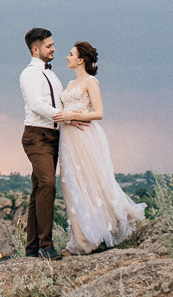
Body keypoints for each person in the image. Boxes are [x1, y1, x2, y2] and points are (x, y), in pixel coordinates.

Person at [54, 41, 147, 255]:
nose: (66, 57)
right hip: (68, 138)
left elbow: (99, 113)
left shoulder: (90, 82)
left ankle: (104, 230)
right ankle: (81, 239)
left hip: (85, 137)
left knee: (93, 182)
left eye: (70, 54)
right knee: (72, 187)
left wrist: (71, 115)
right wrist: (66, 118)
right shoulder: (68, 85)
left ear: (81, 60)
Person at [18, 28, 85, 259]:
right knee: (48, 183)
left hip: (55, 137)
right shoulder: (29, 74)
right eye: (49, 45)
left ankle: (31, 249)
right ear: (35, 49)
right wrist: (64, 116)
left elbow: (61, 104)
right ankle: (46, 246)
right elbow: (37, 104)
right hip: (37, 136)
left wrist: (72, 117)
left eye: (53, 44)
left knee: (39, 189)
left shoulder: (53, 76)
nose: (54, 48)